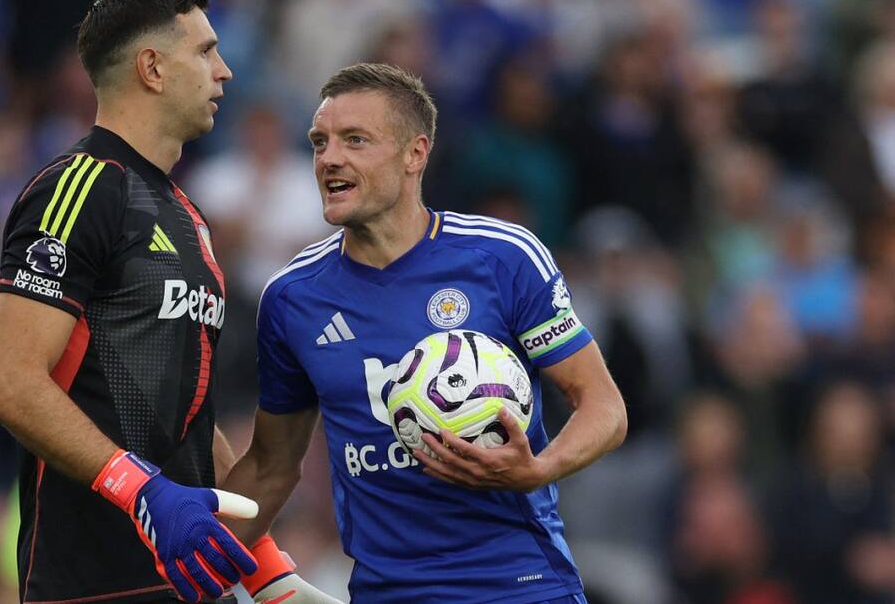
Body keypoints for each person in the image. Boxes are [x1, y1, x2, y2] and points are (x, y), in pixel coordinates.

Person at [220, 63, 629, 603]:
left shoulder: (503, 257)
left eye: (355, 140)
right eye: (320, 142)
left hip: (521, 588)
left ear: (415, 153)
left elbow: (604, 406)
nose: (329, 158)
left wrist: (539, 468)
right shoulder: (292, 298)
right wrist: (182, 574)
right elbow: (272, 468)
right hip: (388, 593)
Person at [0, 0, 326, 604]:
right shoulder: (79, 190)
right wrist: (143, 490)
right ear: (152, 67)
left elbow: (184, 416)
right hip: (91, 584)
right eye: (205, 51)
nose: (224, 72)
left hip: (186, 581)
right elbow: (12, 384)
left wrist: (265, 568)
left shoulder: (186, 214)